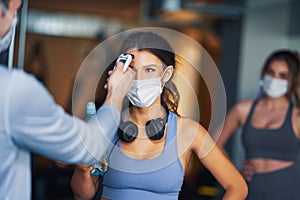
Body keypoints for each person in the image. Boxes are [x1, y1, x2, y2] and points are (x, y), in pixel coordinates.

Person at [71, 31, 248, 200]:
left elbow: (237, 187)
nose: (139, 78)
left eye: (149, 70)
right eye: (132, 69)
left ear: (166, 74)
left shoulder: (187, 131)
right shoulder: (105, 125)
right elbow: (82, 195)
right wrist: (83, 169)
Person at [0, 0, 135, 199]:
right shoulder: (13, 90)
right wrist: (116, 94)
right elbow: (89, 148)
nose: (15, 18)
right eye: (15, 9)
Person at [217, 49, 300, 199]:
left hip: (289, 191)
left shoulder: (297, 115)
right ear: (264, 73)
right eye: (271, 72)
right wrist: (233, 173)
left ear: (292, 80)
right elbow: (214, 144)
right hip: (249, 190)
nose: (275, 79)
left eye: (283, 75)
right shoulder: (243, 109)